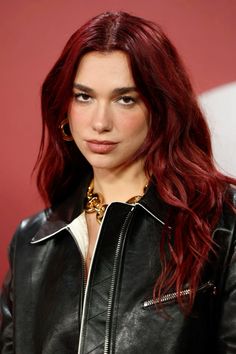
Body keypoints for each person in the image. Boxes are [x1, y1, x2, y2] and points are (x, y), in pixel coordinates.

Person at [0, 11, 236, 354]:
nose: (100, 122)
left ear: (160, 109)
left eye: (125, 99)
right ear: (64, 107)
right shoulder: (31, 242)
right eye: (84, 96)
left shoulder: (223, 223)